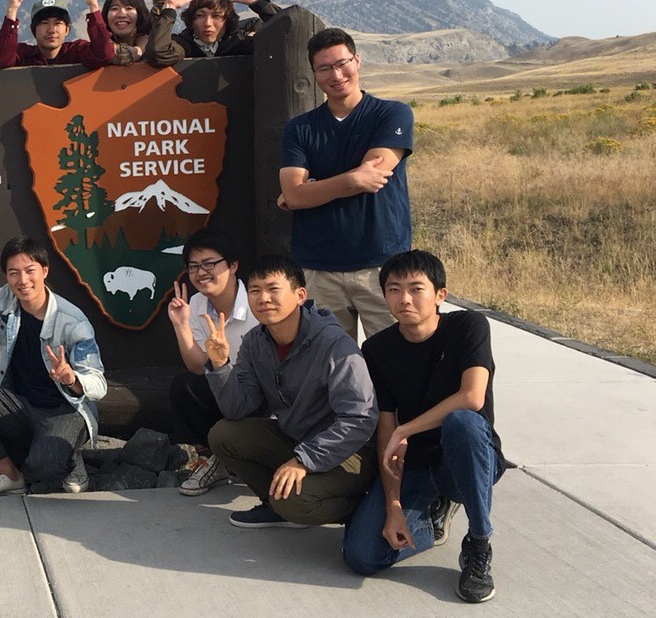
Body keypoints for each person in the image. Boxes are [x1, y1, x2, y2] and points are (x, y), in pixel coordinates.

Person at [341, 250, 503, 603]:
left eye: (416, 289)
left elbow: (472, 397)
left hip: (467, 457)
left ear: (440, 295)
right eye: (394, 290)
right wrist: (393, 506)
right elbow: (386, 427)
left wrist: (406, 430)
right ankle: (431, 517)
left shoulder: (468, 327)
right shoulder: (377, 348)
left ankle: (478, 543)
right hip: (417, 464)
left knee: (461, 423)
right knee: (361, 557)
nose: (405, 299)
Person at [203, 254, 378, 528]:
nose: (263, 298)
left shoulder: (334, 344)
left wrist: (304, 460)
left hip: (351, 453)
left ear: (300, 295)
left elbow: (360, 419)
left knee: (295, 502)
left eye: (273, 289)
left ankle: (364, 507)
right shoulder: (254, 342)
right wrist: (219, 364)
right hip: (298, 440)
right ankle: (274, 505)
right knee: (224, 434)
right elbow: (237, 409)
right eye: (254, 290)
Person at [0, 235, 108, 497]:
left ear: (44, 271)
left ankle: (71, 459)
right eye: (14, 273)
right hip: (22, 406)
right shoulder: (5, 299)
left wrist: (70, 378)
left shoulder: (72, 321)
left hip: (65, 411)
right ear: (7, 277)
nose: (23, 281)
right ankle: (8, 474)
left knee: (42, 470)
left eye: (30, 271)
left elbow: (98, 384)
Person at [278, 27, 414, 339]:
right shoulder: (299, 129)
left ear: (357, 61)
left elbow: (373, 175)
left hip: (381, 266)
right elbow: (295, 195)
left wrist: (311, 187)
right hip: (318, 270)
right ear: (314, 73)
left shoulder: (391, 114)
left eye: (342, 63)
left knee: (397, 362)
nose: (336, 75)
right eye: (324, 68)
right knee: (331, 368)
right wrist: (349, 179)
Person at [164, 227, 254, 496]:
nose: (201, 272)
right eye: (193, 266)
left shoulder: (255, 301)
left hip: (262, 394)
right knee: (185, 386)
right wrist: (181, 325)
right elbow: (196, 366)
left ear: (234, 265)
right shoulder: (197, 303)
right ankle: (216, 459)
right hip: (226, 387)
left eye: (209, 263)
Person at [147, 0, 282, 66]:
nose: (207, 23)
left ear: (227, 20)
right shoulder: (185, 44)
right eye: (200, 15)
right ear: (191, 20)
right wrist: (170, 7)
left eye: (216, 16)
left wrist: (259, 3)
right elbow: (158, 52)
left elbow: (290, 36)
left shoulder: (239, 41)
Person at [0, 0, 113, 68]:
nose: (51, 29)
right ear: (33, 30)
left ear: (67, 29)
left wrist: (93, 6)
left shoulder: (76, 52)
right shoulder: (23, 55)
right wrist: (12, 10)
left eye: (58, 23)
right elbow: (1, 60)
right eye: (44, 23)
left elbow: (103, 54)